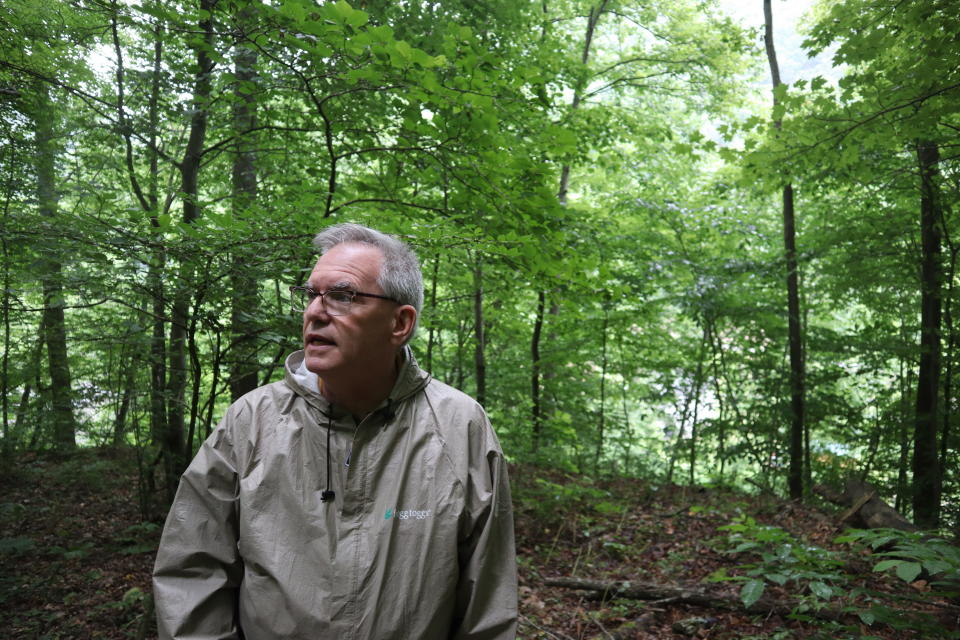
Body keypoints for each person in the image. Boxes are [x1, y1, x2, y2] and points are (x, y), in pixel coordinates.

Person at [153, 223, 518, 639]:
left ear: (399, 323)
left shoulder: (459, 427)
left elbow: (488, 607)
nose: (315, 312)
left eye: (342, 296)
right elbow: (192, 573)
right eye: (311, 295)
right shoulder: (252, 421)